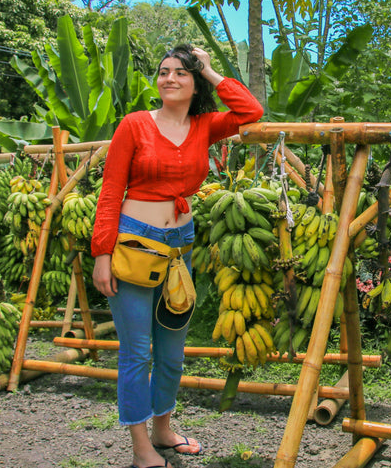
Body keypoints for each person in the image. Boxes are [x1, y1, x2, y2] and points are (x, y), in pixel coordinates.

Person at [91, 44, 263, 468]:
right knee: (136, 352)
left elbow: (250, 112)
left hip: (179, 247)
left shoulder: (205, 125)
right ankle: (141, 447)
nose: (169, 78)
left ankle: (163, 429)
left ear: (193, 82)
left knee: (172, 349)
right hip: (133, 245)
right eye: (163, 71)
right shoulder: (134, 125)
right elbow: (111, 191)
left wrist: (208, 69)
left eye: (180, 73)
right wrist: (101, 254)